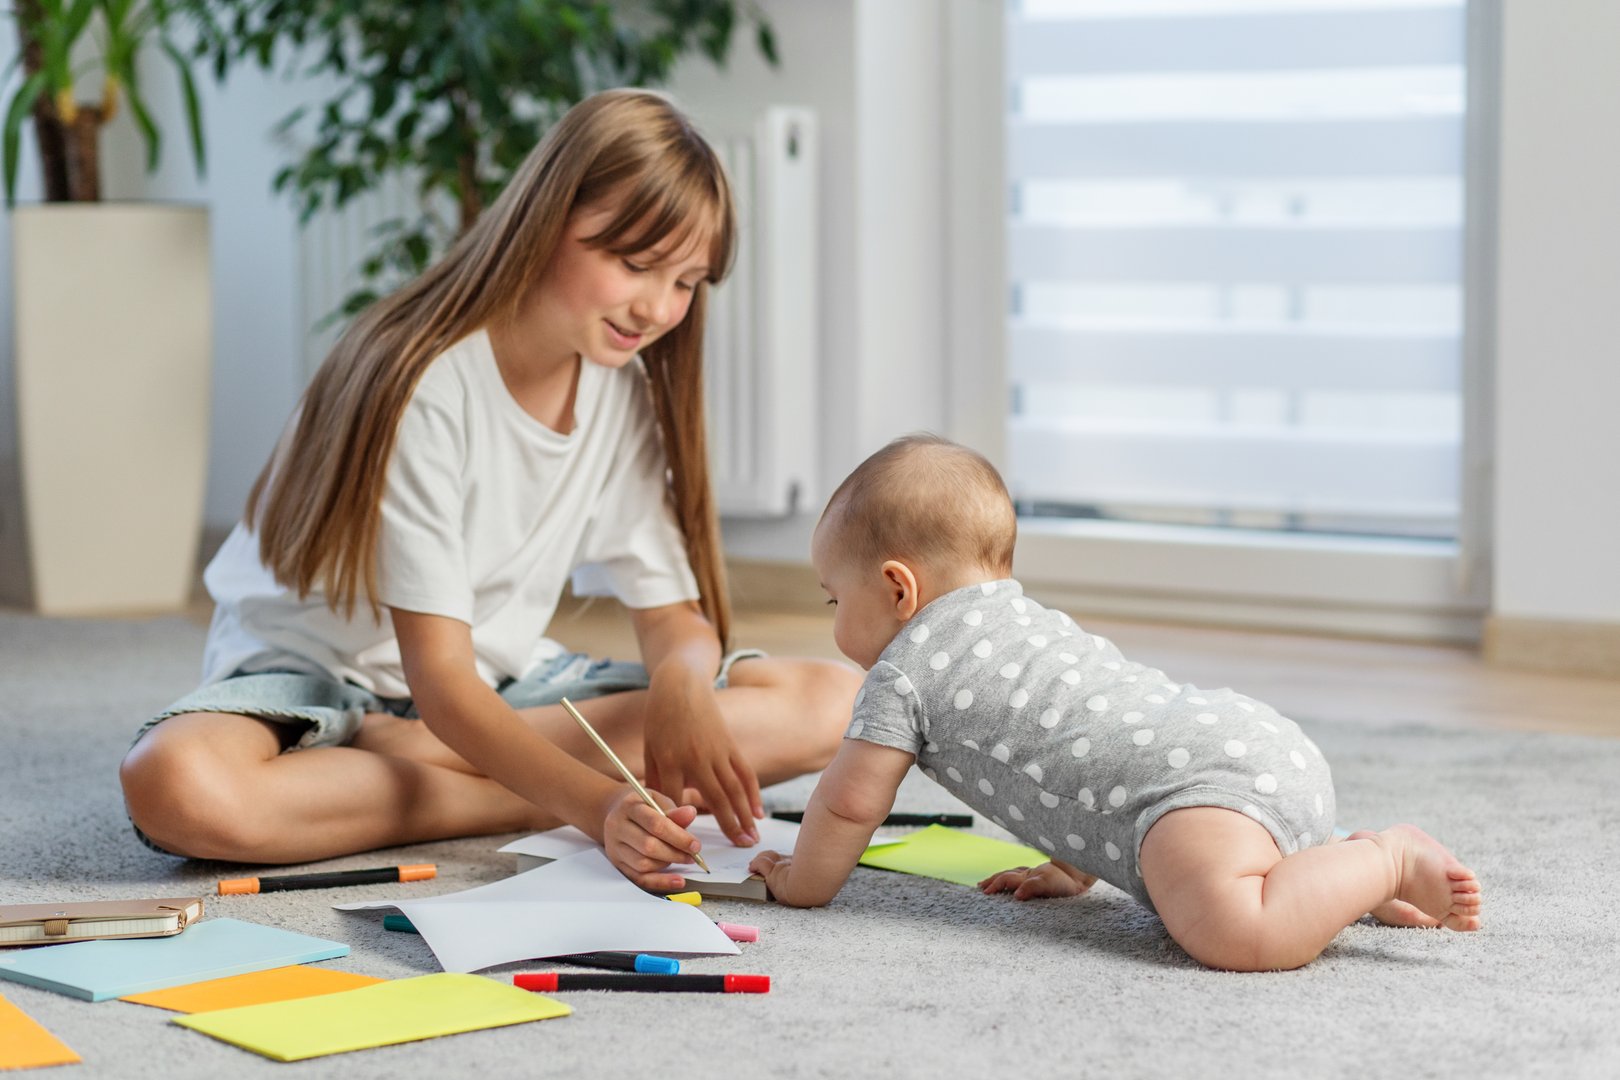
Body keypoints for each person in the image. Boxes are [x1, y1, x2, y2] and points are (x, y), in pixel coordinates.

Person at [120, 89, 859, 890]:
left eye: (686, 281)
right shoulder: (424, 379)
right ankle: (509, 795)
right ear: (546, 219)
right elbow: (440, 683)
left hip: (492, 693)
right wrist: (595, 803)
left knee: (838, 700)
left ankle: (444, 773)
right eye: (634, 263)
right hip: (326, 685)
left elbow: (672, 617)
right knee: (175, 781)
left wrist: (682, 684)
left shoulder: (620, 385)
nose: (657, 307)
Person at [748, 434, 1482, 971]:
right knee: (1238, 865)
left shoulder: (904, 673)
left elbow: (848, 807)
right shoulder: (1019, 619)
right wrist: (1069, 862)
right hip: (1243, 752)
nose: (834, 618)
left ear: (897, 588)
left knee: (1237, 931)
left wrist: (800, 881)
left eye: (834, 598)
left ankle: (1383, 859)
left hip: (1196, 796)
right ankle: (1335, 875)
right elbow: (1071, 743)